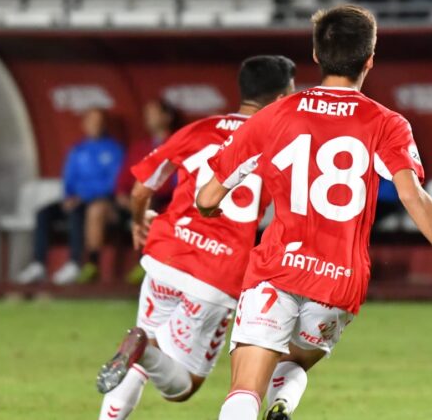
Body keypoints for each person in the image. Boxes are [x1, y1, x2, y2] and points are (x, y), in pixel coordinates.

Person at [196, 5, 432, 420]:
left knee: (246, 388)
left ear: (317, 55)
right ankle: (284, 403)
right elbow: (414, 196)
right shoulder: (386, 123)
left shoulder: (275, 114)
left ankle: (270, 402)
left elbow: (209, 195)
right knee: (295, 362)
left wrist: (211, 208)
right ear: (370, 59)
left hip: (277, 268)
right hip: (339, 280)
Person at [94, 55, 302, 420]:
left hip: (165, 254)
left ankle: (138, 353)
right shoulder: (281, 142)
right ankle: (142, 348)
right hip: (216, 273)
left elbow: (143, 187)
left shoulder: (201, 128)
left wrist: (138, 222)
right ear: (281, 96)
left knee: (144, 354)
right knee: (184, 385)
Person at [16, 108, 124, 285]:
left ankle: (74, 263)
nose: (95, 125)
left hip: (99, 201)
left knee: (77, 212)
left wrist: (83, 196)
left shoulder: (113, 150)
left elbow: (112, 182)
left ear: (104, 124)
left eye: (98, 121)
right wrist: (68, 196)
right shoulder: (77, 150)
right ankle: (38, 264)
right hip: (75, 199)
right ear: (84, 124)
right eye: (91, 120)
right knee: (43, 213)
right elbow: (69, 178)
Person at [116, 99, 181, 284]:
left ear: (167, 117)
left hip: (170, 199)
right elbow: (123, 181)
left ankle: (152, 264)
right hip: (140, 199)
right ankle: (144, 262)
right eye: (147, 114)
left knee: (149, 205)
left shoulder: (179, 141)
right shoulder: (140, 147)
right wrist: (122, 196)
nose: (148, 118)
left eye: (153, 113)